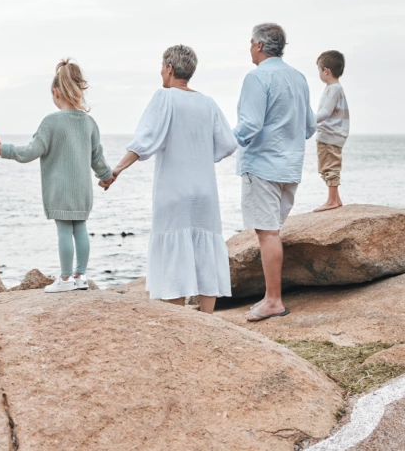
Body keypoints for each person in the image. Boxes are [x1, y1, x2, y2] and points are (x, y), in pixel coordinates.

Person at [103, 45, 237, 313]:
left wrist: (117, 170)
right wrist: (200, 155)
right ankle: (207, 320)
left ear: (169, 69)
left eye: (162, 67)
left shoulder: (164, 98)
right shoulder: (208, 103)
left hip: (174, 192)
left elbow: (144, 141)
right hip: (204, 193)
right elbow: (228, 143)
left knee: (175, 255)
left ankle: (179, 320)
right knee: (205, 253)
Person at [0, 60, 113, 293]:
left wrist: (2, 150)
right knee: (81, 229)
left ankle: (65, 280)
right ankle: (80, 276)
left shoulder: (51, 122)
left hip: (59, 189)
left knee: (64, 231)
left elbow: (29, 152)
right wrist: (106, 176)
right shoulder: (89, 123)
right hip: (83, 190)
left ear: (56, 92)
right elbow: (97, 157)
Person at [233, 23, 315, 322]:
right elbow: (309, 127)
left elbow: (250, 126)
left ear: (257, 45)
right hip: (290, 167)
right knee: (273, 232)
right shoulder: (299, 77)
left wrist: (222, 142)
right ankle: (272, 297)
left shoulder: (256, 77)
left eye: (250, 43)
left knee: (267, 233)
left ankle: (273, 301)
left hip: (263, 165)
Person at [313, 50, 349, 212]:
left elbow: (325, 113)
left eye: (319, 70)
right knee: (325, 166)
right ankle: (336, 198)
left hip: (330, 135)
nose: (319, 74)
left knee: (330, 167)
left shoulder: (334, 89)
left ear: (326, 70)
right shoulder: (332, 88)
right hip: (328, 134)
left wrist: (307, 121)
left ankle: (331, 201)